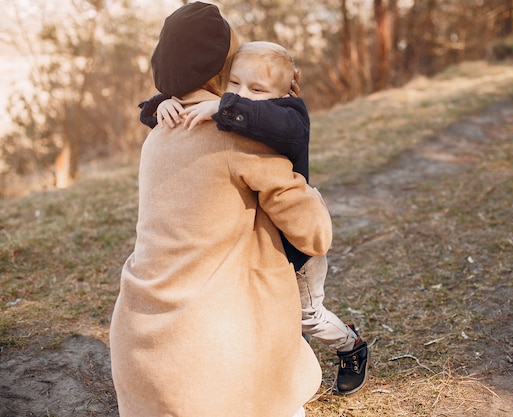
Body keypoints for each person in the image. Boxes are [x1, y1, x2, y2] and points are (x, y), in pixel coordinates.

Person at [109, 3, 331, 417]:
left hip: (139, 350)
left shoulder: (158, 131)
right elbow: (315, 234)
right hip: (208, 366)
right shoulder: (237, 140)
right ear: (219, 68)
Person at [139, 40, 370, 395]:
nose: (243, 95)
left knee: (307, 316)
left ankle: (349, 344)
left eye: (256, 89)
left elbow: (273, 120)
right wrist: (162, 104)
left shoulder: (290, 116)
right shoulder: (234, 109)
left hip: (296, 240)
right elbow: (173, 109)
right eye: (234, 84)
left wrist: (225, 104)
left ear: (284, 93)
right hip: (260, 245)